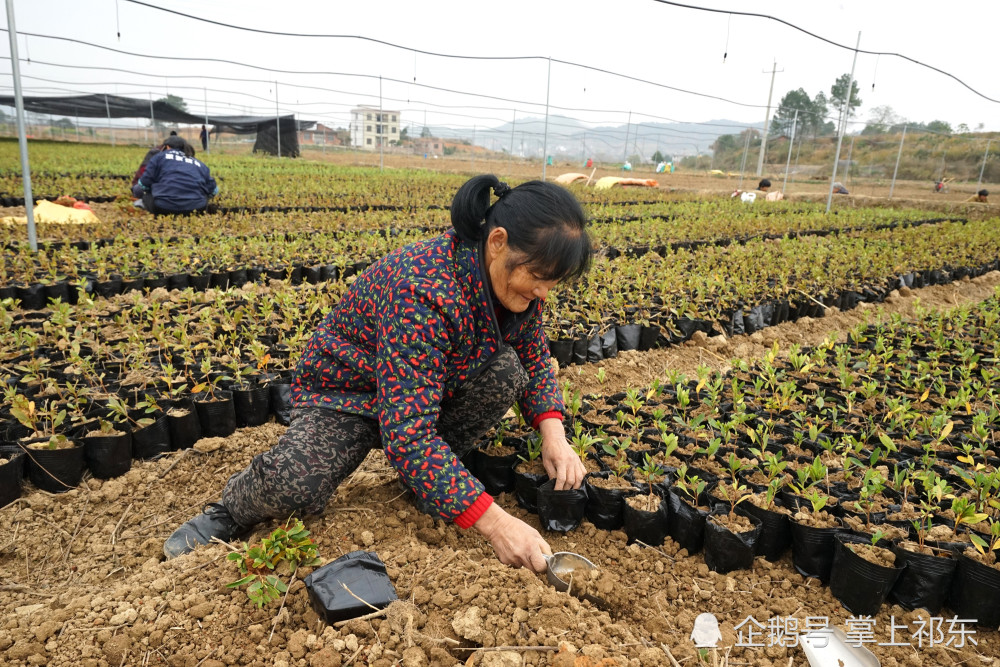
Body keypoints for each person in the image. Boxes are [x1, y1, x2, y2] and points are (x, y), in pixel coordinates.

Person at [164, 174, 592, 573]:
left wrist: (554, 435)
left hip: (423, 388)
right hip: (349, 393)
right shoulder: (423, 290)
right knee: (298, 483)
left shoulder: (516, 290)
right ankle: (229, 510)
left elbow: (534, 358)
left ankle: (432, 483)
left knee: (506, 371)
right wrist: (496, 524)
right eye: (537, 277)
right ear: (497, 242)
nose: (542, 293)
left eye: (551, 283)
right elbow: (408, 432)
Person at [131, 136, 219, 215]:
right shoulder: (199, 163)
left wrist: (136, 191)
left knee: (147, 194)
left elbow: (144, 184)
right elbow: (213, 191)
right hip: (197, 208)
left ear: (167, 147)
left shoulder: (159, 157)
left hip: (163, 207)